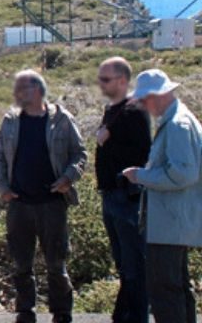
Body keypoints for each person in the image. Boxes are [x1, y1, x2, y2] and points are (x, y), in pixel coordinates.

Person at [0, 70, 86, 323]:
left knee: (56, 264)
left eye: (23, 88)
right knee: (21, 264)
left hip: (52, 203)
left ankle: (62, 312)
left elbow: (80, 154)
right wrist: (2, 187)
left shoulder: (62, 119)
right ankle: (26, 310)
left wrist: (68, 177)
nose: (18, 93)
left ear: (38, 90)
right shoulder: (10, 120)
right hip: (19, 203)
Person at [122, 69, 202, 323]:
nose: (144, 106)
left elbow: (183, 173)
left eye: (145, 100)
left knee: (164, 291)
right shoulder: (179, 119)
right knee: (177, 289)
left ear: (159, 96)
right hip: (175, 222)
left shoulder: (177, 125)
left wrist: (141, 176)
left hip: (170, 223)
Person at [94, 58, 150, 323]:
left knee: (134, 265)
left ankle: (135, 316)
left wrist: (108, 140)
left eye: (106, 78)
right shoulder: (113, 110)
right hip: (110, 194)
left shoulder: (134, 109)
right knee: (123, 264)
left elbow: (141, 152)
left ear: (122, 80)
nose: (101, 83)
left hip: (126, 196)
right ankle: (125, 314)